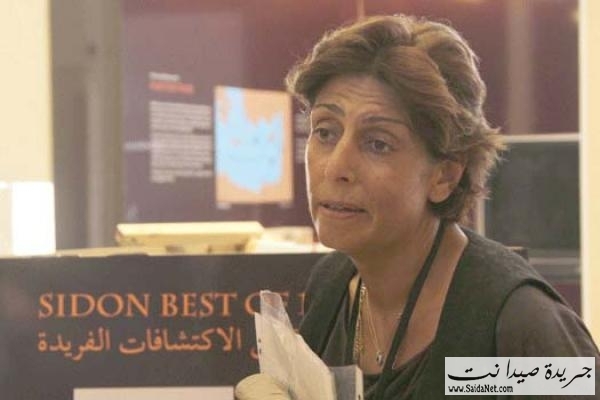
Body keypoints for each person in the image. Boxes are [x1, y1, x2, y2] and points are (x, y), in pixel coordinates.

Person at [236, 14, 600, 399]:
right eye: (325, 132)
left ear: (445, 176)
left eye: (377, 143)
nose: (336, 167)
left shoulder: (517, 322)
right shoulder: (334, 285)